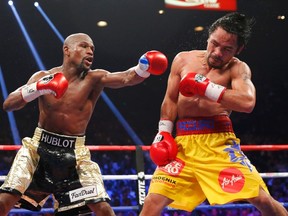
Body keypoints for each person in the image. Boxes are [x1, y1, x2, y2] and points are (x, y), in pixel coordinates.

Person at [0, 33, 168, 216]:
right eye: (84, 46)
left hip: (75, 156)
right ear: (67, 50)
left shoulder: (95, 78)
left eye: (92, 49)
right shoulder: (43, 76)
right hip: (37, 150)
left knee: (103, 208)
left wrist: (143, 67)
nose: (90, 52)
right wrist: (37, 88)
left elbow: (127, 78)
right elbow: (9, 104)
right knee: (5, 200)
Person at [140, 12, 288, 216]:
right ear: (208, 37)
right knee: (152, 202)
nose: (217, 52)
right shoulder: (183, 59)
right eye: (214, 44)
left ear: (239, 49)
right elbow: (171, 99)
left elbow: (247, 102)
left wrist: (206, 87)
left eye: (227, 49)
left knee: (262, 199)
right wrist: (164, 132)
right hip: (183, 145)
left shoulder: (238, 69)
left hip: (219, 144)